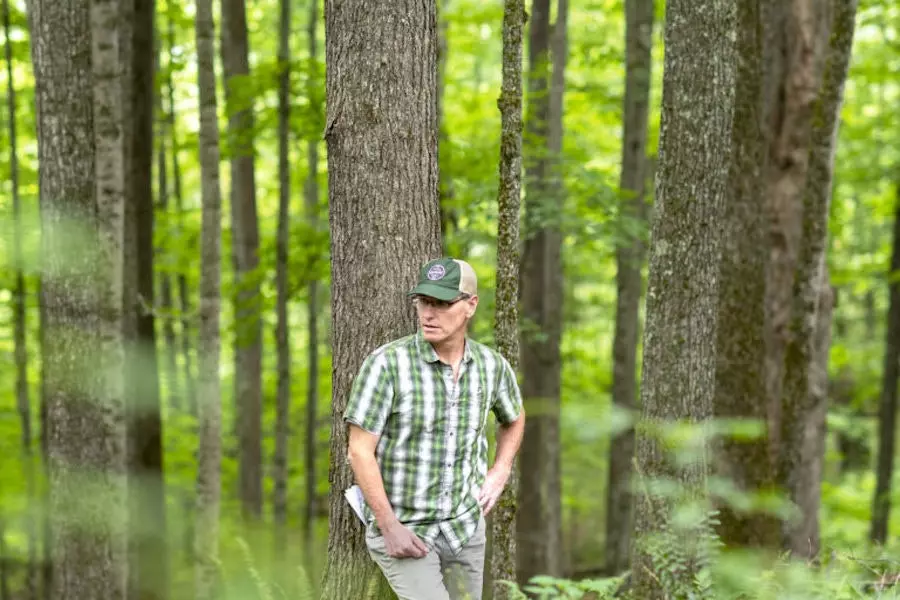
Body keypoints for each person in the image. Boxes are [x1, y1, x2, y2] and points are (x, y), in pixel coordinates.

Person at [344, 257, 526, 600]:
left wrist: (501, 470)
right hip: (405, 529)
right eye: (424, 302)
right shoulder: (387, 365)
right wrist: (388, 526)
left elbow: (514, 417)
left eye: (442, 304)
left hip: (463, 528)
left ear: (470, 306)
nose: (429, 313)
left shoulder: (490, 367)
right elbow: (359, 450)